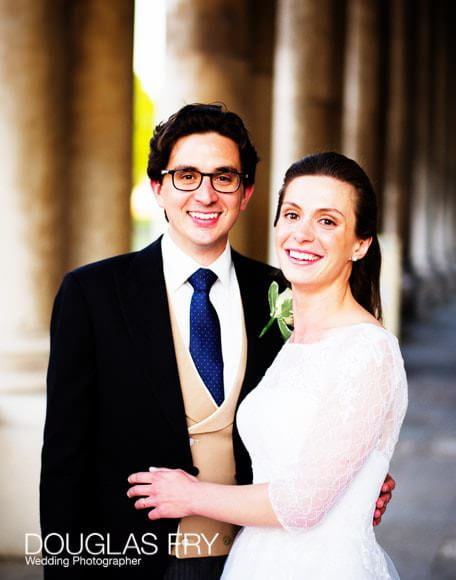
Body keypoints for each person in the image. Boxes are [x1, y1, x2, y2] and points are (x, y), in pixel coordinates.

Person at [40, 105, 394, 580]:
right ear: (158, 189)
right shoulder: (92, 294)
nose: (205, 195)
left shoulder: (285, 291)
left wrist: (358, 476)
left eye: (224, 177)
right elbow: (64, 456)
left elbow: (325, 405)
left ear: (246, 193)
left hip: (254, 551)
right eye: (186, 176)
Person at [127, 152, 408, 579]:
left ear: (361, 242)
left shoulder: (368, 350)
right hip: (253, 558)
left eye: (327, 221)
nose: (303, 234)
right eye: (292, 214)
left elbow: (302, 502)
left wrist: (191, 495)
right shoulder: (288, 329)